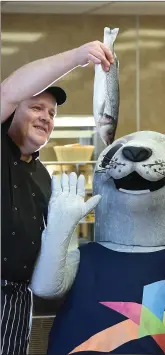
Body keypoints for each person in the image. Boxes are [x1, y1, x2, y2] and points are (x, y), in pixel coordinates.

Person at [1, 40, 114, 355]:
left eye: (51, 113)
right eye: (36, 107)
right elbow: (8, 91)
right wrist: (78, 57)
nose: (45, 117)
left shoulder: (44, 177)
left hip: (18, 301)